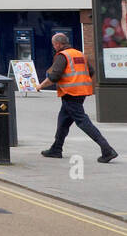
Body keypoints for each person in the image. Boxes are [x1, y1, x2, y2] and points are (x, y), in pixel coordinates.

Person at [38, 33, 118, 163]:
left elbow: (54, 76)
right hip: (81, 92)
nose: (54, 47)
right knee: (63, 120)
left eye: (54, 45)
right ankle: (56, 149)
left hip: (70, 93)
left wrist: (40, 86)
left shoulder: (62, 56)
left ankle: (107, 150)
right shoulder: (79, 54)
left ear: (58, 44)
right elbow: (90, 72)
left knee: (82, 121)